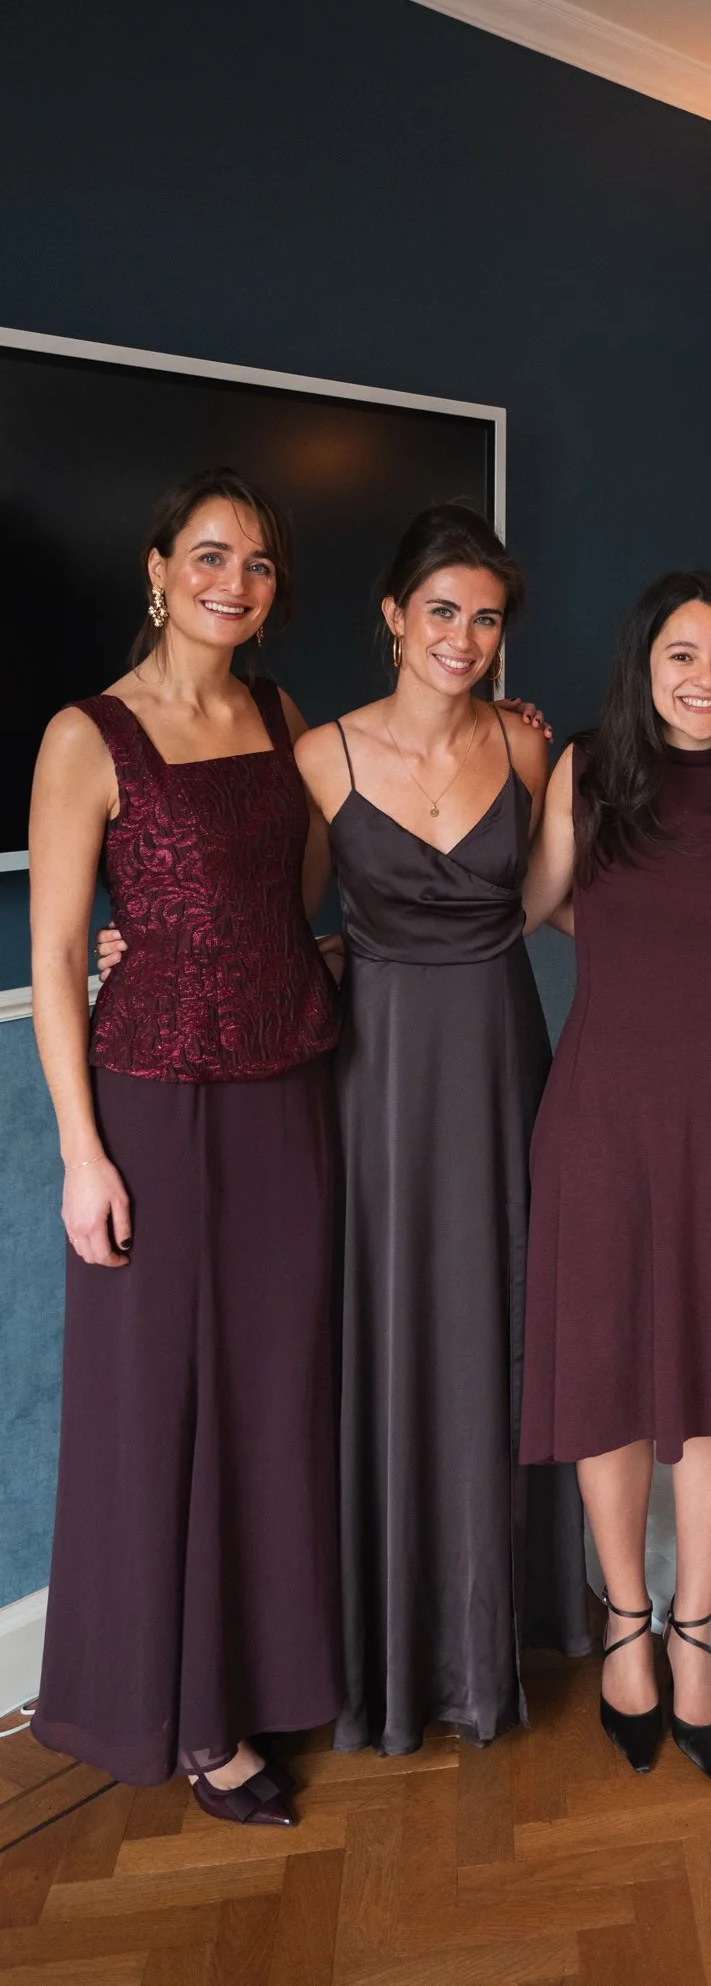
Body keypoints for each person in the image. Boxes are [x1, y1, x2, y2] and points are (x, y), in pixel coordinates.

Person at [29, 471, 340, 1825]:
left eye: (259, 564)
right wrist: (80, 1157)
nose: (235, 581)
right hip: (151, 1104)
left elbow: (309, 893)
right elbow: (48, 961)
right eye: (209, 555)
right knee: (161, 1405)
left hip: (289, 1091)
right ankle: (192, 1721)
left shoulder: (285, 718)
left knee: (276, 1397)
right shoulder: (86, 736)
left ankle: (271, 1677)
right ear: (157, 567)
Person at [518, 571, 711, 1783]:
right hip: (596, 1108)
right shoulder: (586, 771)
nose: (705, 678)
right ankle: (623, 1622)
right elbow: (530, 901)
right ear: (642, 666)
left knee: (710, 1374)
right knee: (600, 1367)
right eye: (681, 655)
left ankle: (695, 1628)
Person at [297, 504, 590, 1753]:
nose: (463, 637)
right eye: (441, 612)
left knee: (506, 1316)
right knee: (392, 1327)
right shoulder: (318, 757)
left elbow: (549, 906)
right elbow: (277, 924)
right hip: (377, 1076)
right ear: (391, 614)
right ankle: (395, 1641)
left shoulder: (529, 753)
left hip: (498, 1055)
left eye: (484, 617)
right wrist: (132, 946)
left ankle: (503, 1628)